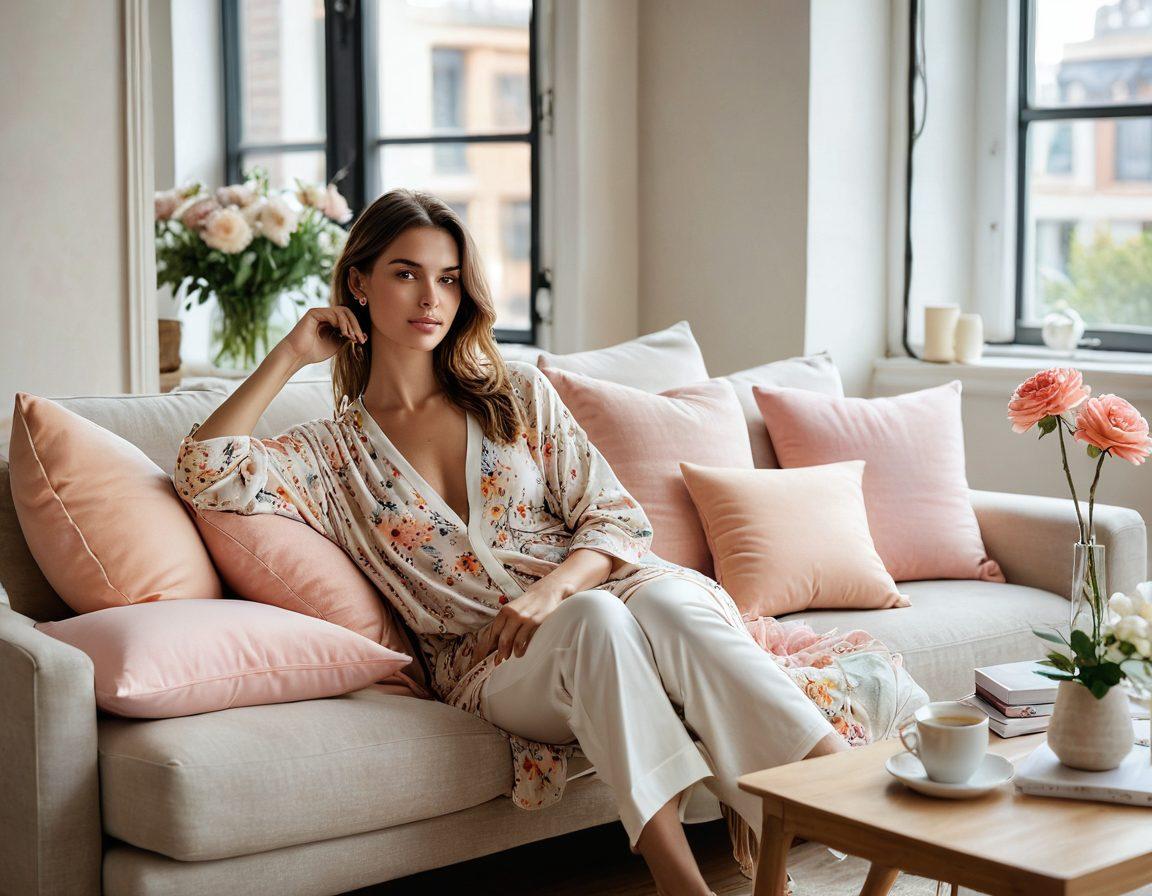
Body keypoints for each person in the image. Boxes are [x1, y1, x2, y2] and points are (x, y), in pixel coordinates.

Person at [172, 187, 849, 896]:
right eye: (405, 273)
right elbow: (204, 472)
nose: (430, 297)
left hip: (608, 590)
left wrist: (549, 591)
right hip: (492, 662)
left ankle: (847, 802)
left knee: (663, 606)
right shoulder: (329, 456)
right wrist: (289, 354)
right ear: (358, 283)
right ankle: (684, 884)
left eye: (449, 278)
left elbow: (615, 518)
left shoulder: (515, 395)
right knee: (596, 621)